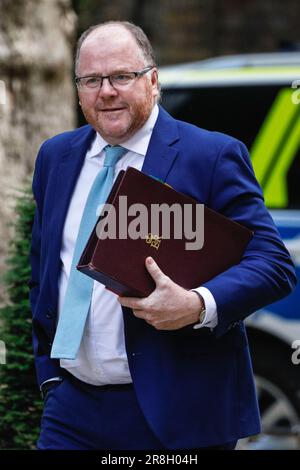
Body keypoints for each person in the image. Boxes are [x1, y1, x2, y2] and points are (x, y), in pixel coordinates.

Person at [29, 20, 296, 451]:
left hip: (177, 410)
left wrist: (196, 305)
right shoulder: (56, 156)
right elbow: (44, 269)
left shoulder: (210, 155)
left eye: (121, 76)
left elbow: (273, 263)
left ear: (153, 81)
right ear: (78, 90)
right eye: (92, 79)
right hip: (72, 409)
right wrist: (51, 377)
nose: (106, 91)